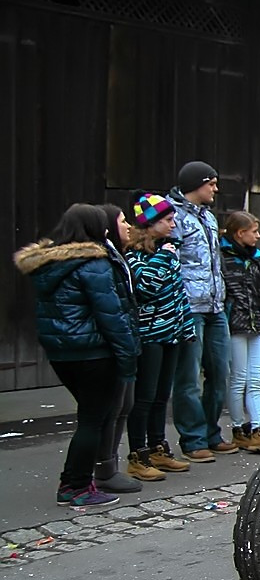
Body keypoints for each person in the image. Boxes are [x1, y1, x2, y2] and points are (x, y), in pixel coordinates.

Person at [14, 205, 142, 506]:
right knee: (93, 420)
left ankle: (73, 481)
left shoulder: (49, 263)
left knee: (89, 416)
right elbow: (112, 315)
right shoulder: (95, 263)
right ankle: (77, 486)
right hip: (94, 352)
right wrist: (128, 356)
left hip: (63, 353)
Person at [123, 192, 194, 479]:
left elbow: (178, 292)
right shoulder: (135, 255)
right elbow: (146, 288)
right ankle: (137, 454)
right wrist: (165, 256)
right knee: (145, 397)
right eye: (168, 219)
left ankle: (157, 447)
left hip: (171, 334)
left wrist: (186, 326)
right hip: (150, 335)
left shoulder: (169, 250)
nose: (173, 224)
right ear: (150, 224)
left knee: (162, 395)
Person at [168, 161, 234, 460]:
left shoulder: (207, 217)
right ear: (197, 183)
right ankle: (193, 439)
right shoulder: (173, 216)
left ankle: (211, 431)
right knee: (188, 376)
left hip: (215, 305)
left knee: (220, 372)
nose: (215, 189)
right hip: (189, 306)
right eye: (211, 184)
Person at [93, 203, 143, 495]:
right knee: (112, 407)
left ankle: (109, 464)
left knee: (125, 404)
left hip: (127, 340)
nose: (129, 226)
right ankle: (103, 468)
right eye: (123, 221)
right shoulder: (104, 258)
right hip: (115, 343)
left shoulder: (118, 255)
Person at [221, 211, 260, 454]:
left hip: (255, 326)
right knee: (238, 378)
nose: (258, 236)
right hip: (236, 326)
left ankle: (258, 429)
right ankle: (238, 429)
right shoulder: (224, 259)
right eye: (254, 231)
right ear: (240, 233)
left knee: (256, 380)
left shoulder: (253, 260)